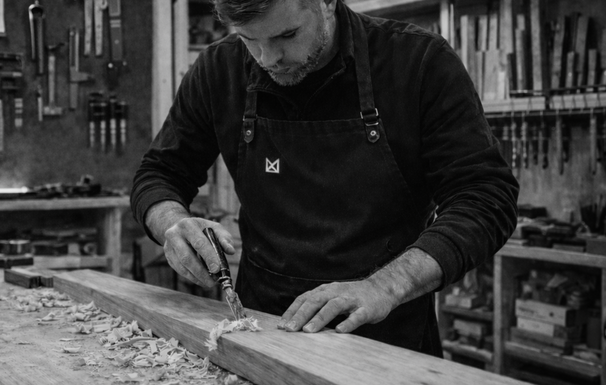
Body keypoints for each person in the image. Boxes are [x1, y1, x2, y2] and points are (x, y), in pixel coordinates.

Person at [130, 0, 518, 356]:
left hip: (387, 341)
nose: (269, 58)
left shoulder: (418, 62)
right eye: (249, 39)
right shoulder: (219, 68)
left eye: (287, 35)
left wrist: (385, 286)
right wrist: (172, 223)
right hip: (262, 333)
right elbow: (160, 173)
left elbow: (485, 197)